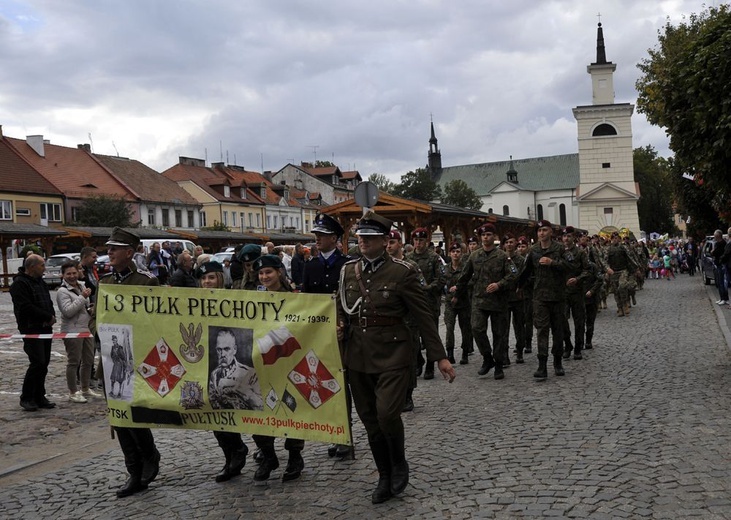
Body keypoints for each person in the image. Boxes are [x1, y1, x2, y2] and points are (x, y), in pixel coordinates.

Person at [337, 211, 456, 504]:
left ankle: (399, 462)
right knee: (369, 420)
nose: (362, 241)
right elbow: (340, 307)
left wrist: (439, 357)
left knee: (388, 413)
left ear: (385, 240)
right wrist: (337, 327)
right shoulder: (348, 271)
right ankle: (384, 475)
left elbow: (424, 317)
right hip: (357, 356)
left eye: (369, 237)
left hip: (393, 353)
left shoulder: (402, 272)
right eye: (360, 237)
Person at [95, 227, 161, 498]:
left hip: (136, 359)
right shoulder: (106, 281)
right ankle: (133, 470)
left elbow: (156, 320)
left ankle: (149, 456)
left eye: (114, 248)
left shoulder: (146, 282)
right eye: (108, 248)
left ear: (129, 253)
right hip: (111, 361)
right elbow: (94, 316)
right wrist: (98, 327)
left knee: (134, 414)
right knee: (119, 418)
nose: (108, 252)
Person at [249, 254, 305, 482]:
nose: (264, 277)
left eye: (268, 272)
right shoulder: (253, 298)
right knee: (258, 408)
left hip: (285, 361)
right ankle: (269, 455)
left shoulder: (293, 298)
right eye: (261, 273)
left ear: (279, 272)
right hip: (260, 363)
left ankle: (294, 456)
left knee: (291, 407)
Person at [302, 213, 352, 458]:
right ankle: (335, 433)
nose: (317, 238)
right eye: (316, 235)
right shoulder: (310, 266)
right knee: (324, 384)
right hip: (319, 336)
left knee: (342, 385)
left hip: (342, 334)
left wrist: (345, 325)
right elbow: (305, 302)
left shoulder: (347, 265)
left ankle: (346, 436)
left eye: (322, 235)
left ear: (334, 238)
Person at [195, 261, 250, 482]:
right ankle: (231, 454)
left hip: (231, 362)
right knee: (214, 412)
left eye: (211, 277)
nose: (207, 282)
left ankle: (239, 452)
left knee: (230, 408)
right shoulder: (193, 301)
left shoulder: (234, 298)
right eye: (203, 279)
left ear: (220, 278)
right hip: (207, 361)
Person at [455, 223, 516, 380]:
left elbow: (512, 276)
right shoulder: (474, 256)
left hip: (498, 301)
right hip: (479, 300)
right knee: (476, 328)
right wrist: (457, 294)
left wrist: (499, 285)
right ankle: (487, 357)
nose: (485, 237)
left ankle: (499, 364)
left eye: (488, 234)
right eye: (483, 235)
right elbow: (464, 277)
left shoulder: (502, 256)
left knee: (499, 334)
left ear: (494, 237)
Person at [518, 220, 569, 380]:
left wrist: (553, 263)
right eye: (539, 231)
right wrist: (517, 285)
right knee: (541, 330)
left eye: (545, 230)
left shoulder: (560, 248)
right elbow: (525, 271)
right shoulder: (533, 251)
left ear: (551, 232)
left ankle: (558, 362)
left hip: (558, 296)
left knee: (558, 330)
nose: (542, 233)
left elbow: (570, 266)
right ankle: (542, 365)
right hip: (539, 297)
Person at [10, 254, 57, 412]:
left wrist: (51, 316)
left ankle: (39, 395)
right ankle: (27, 397)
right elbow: (25, 307)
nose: (44, 268)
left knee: (44, 363)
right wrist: (46, 316)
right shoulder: (19, 284)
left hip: (45, 327)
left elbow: (47, 301)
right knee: (37, 362)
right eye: (42, 265)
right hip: (31, 328)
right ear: (31, 267)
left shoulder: (40, 281)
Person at [56, 261, 100, 403]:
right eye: (68, 273)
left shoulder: (82, 285)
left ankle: (85, 388)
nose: (72, 276)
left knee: (88, 361)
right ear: (63, 275)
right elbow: (68, 312)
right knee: (73, 361)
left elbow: (83, 307)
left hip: (87, 328)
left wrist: (91, 308)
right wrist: (83, 297)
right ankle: (73, 391)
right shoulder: (62, 291)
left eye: (74, 273)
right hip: (72, 330)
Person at [406, 227, 446, 380]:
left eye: (421, 240)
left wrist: (428, 288)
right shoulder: (408, 258)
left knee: (429, 335)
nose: (418, 243)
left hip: (430, 303)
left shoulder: (434, 258)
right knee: (412, 336)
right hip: (412, 305)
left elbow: (442, 278)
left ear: (426, 241)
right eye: (416, 240)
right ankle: (418, 361)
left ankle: (430, 365)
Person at [559, 227, 590, 361]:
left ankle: (578, 347)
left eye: (569, 236)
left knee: (579, 320)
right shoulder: (558, 252)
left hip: (577, 291)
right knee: (562, 320)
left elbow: (588, 270)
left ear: (574, 238)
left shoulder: (580, 252)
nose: (566, 239)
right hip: (562, 292)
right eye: (564, 237)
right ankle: (567, 344)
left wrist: (577, 279)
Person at [444, 242, 473, 365]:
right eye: (453, 252)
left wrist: (458, 289)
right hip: (450, 303)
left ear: (461, 253)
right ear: (449, 254)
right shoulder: (445, 269)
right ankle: (449, 353)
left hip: (463, 303)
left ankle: (465, 352)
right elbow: (441, 282)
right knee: (449, 328)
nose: (455, 254)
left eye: (458, 252)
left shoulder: (466, 268)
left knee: (465, 329)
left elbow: (470, 282)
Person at [502, 234, 527, 364]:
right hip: (504, 298)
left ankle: (520, 351)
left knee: (519, 326)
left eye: (511, 242)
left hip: (518, 298)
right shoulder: (500, 258)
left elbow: (524, 276)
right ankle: (504, 354)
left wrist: (521, 287)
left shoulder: (521, 260)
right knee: (503, 328)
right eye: (507, 242)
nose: (509, 244)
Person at [605, 231, 641, 316]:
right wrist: (607, 270)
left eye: (616, 238)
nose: (615, 240)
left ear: (619, 239)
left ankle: (625, 304)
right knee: (616, 291)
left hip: (623, 270)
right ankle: (619, 307)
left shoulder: (623, 248)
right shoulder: (608, 249)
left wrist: (636, 268)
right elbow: (605, 261)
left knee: (622, 286)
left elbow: (630, 258)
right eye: (613, 238)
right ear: (611, 239)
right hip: (613, 272)